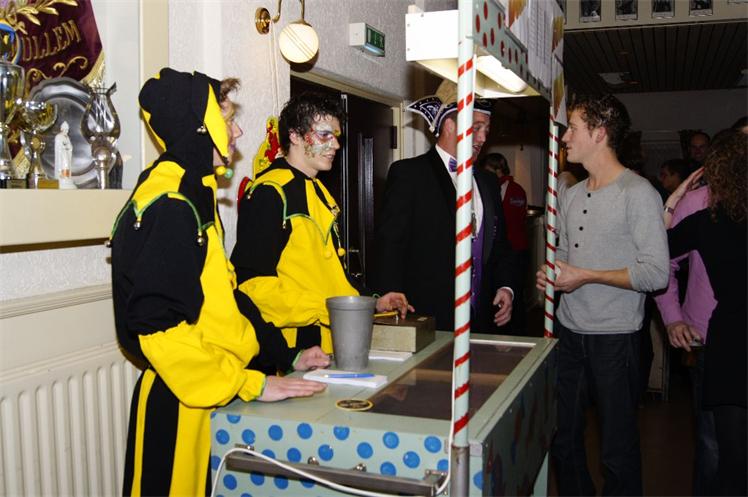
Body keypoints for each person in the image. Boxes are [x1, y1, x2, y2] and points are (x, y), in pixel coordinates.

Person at [110, 68, 326, 497]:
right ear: (199, 126)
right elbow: (160, 329)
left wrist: (285, 355)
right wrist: (251, 384)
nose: (237, 131)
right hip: (182, 399)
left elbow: (226, 300)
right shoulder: (170, 202)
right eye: (226, 120)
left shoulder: (195, 190)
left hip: (212, 387)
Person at [536, 94, 669, 496]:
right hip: (569, 333)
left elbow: (656, 273)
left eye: (573, 129)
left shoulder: (638, 193)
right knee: (563, 439)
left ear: (599, 133)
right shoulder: (572, 194)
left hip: (616, 339)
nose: (565, 138)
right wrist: (554, 273)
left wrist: (586, 276)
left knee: (617, 448)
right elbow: (564, 253)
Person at [231, 92, 411, 372]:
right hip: (291, 347)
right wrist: (325, 308)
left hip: (331, 339)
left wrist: (372, 302)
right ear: (294, 136)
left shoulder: (319, 190)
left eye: (336, 136)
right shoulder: (270, 192)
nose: (336, 145)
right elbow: (251, 285)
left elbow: (332, 275)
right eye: (325, 135)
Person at [372, 80, 517, 333]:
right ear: (449, 125)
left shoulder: (488, 182)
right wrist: (390, 303)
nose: (483, 138)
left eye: (486, 129)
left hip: (481, 319)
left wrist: (506, 287)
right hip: (429, 319)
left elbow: (500, 245)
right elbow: (390, 245)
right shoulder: (410, 174)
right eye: (476, 128)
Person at [662, 130, 747, 496]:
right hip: (716, 337)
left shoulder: (707, 220)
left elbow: (654, 252)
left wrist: (672, 201)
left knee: (729, 457)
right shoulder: (705, 213)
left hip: (727, 338)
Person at [480, 152, 528, 335]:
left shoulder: (501, 189)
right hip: (516, 247)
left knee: (510, 291)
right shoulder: (516, 189)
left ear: (497, 169)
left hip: (510, 249)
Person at [54, 121, 75, 189]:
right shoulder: (58, 136)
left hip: (67, 154)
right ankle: (62, 177)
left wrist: (69, 147)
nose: (66, 131)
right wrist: (64, 147)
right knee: (63, 165)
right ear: (61, 129)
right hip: (61, 155)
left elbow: (70, 146)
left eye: (67, 130)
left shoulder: (67, 137)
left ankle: (67, 177)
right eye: (65, 129)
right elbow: (58, 146)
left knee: (67, 165)